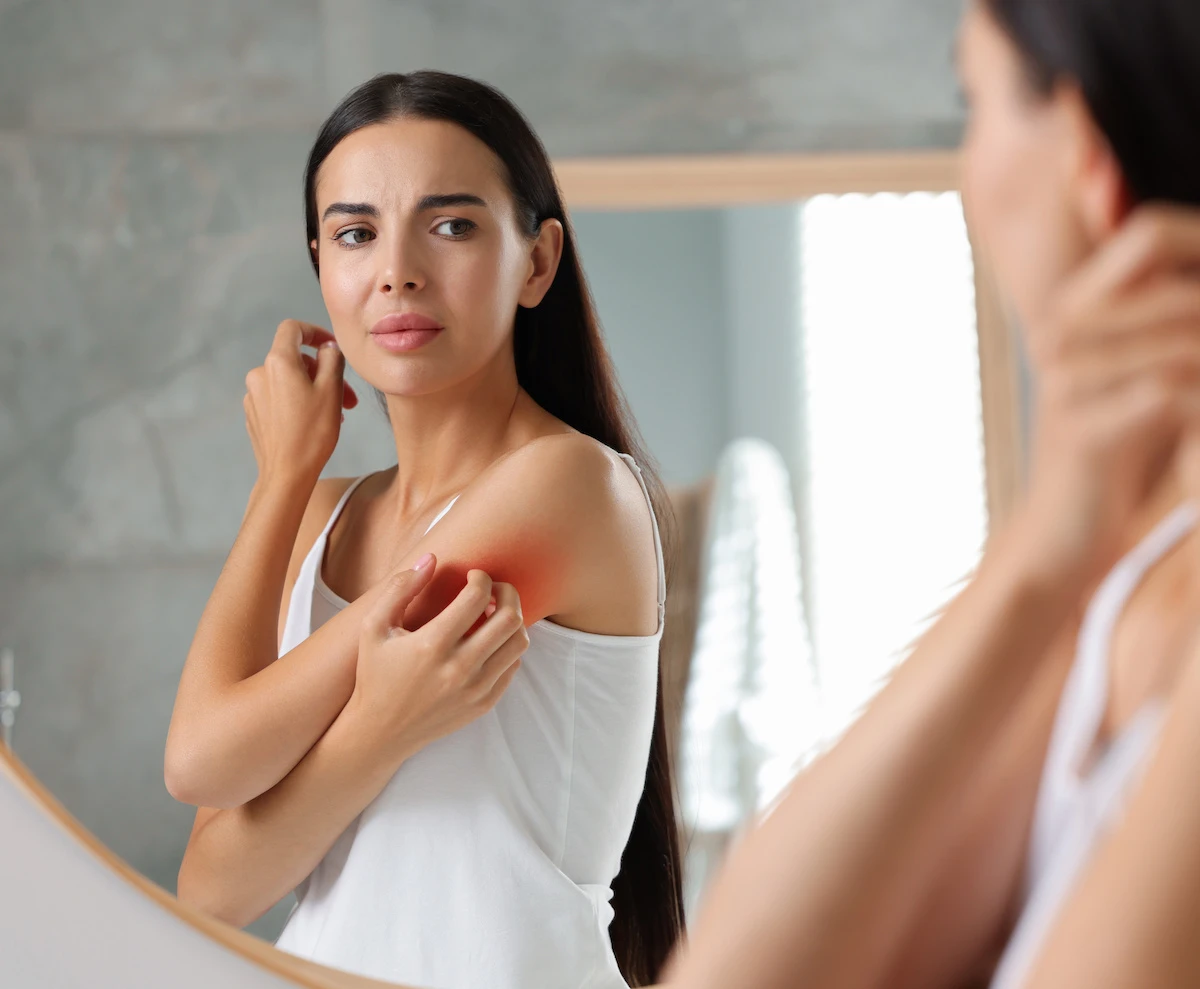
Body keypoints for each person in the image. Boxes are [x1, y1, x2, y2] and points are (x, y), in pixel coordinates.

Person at [665, 1, 1200, 987]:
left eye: (974, 100)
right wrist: (1047, 546)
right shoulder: (1115, 588)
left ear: (1087, 158)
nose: (970, 169)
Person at [165, 71, 683, 989]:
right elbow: (209, 887)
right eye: (356, 233)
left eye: (451, 226)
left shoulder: (568, 484)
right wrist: (284, 479)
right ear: (322, 266)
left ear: (538, 262)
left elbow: (204, 757)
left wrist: (372, 729)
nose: (397, 270)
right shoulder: (320, 514)